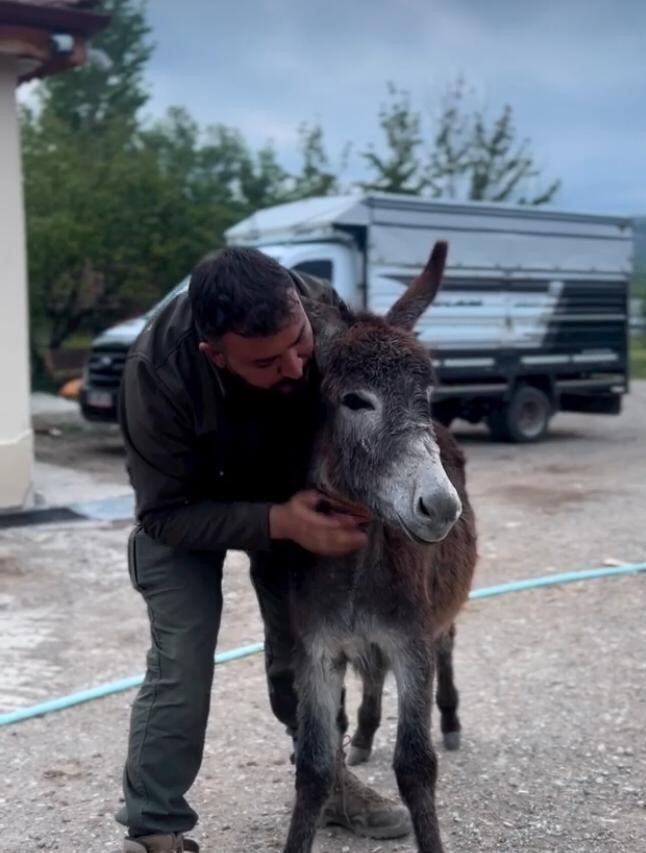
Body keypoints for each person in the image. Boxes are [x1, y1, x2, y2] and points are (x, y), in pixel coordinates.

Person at [115, 247, 411, 852]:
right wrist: (278, 522)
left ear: (300, 307)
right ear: (213, 355)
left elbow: (371, 403)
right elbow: (165, 515)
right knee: (183, 655)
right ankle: (154, 825)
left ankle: (325, 782)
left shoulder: (323, 308)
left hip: (291, 488)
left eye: (299, 344)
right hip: (190, 508)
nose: (296, 370)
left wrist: (359, 488)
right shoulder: (154, 374)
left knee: (308, 645)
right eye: (266, 363)